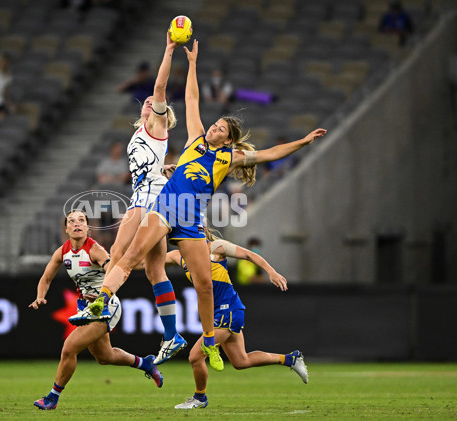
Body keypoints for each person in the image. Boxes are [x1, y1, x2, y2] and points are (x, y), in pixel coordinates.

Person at [78, 39, 327, 373]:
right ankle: (101, 303)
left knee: (204, 284)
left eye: (220, 128)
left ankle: (209, 342)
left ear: (227, 138)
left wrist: (303, 142)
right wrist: (192, 64)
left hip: (191, 219)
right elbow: (192, 98)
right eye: (215, 124)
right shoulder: (195, 138)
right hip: (166, 208)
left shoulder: (229, 157)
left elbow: (269, 153)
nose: (213, 127)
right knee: (130, 257)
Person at [70, 32, 187, 366]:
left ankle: (98, 305)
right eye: (147, 101)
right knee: (154, 272)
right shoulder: (142, 134)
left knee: (118, 253)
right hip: (154, 197)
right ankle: (172, 335)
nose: (150, 101)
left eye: (156, 103)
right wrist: (164, 170)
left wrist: (167, 50)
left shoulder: (157, 125)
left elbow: (161, 88)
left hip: (148, 201)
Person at [29, 210, 164, 411]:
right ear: (66, 229)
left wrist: (103, 293)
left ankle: (52, 397)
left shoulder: (95, 250)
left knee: (69, 348)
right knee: (105, 357)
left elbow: (112, 269)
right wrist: (40, 296)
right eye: (72, 221)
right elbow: (46, 278)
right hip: (86, 308)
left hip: (105, 306)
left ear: (88, 228)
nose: (77, 224)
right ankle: (146, 364)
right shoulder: (62, 252)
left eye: (81, 221)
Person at [167, 228, 309, 409]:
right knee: (241, 361)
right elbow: (148, 261)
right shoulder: (178, 256)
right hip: (218, 312)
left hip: (228, 310)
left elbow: (249, 255)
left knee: (195, 357)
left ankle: (199, 398)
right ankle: (290, 359)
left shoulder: (216, 247)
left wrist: (271, 271)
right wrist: (124, 261)